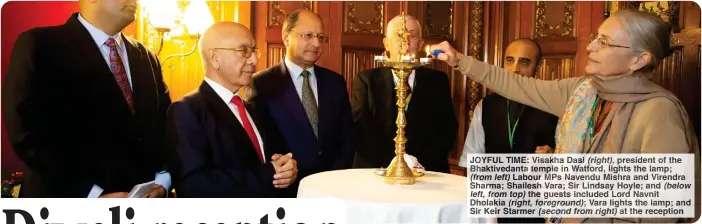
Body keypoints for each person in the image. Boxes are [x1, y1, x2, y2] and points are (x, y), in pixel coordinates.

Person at [431, 9, 699, 223]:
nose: (591, 47)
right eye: (595, 37)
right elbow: (518, 85)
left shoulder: (660, 111)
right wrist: (459, 61)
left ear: (638, 60)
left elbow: (662, 208)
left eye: (604, 42)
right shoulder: (581, 91)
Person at [2, 0, 171, 198]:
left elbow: (166, 128)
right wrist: (91, 195)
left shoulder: (148, 58)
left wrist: (163, 182)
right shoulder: (40, 45)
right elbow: (26, 134)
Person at [165, 22, 297, 198]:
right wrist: (268, 174)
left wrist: (287, 169)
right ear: (215, 57)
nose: (254, 60)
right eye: (244, 51)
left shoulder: (252, 108)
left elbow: (273, 160)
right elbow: (193, 186)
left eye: (253, 50)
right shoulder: (187, 110)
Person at [249, 9, 355, 196]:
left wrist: (334, 176)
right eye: (308, 36)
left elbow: (346, 136)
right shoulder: (261, 84)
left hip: (333, 188)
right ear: (286, 37)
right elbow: (261, 141)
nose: (316, 43)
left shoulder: (335, 82)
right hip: (286, 192)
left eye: (320, 37)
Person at [459, 39, 557, 223]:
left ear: (539, 66)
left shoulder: (555, 106)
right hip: (494, 206)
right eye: (509, 60)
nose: (515, 69)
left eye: (524, 62)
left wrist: (554, 156)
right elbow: (473, 160)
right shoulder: (485, 106)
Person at [351, 14, 457, 173]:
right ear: (386, 44)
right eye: (399, 36)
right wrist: (394, 164)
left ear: (421, 44)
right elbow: (361, 132)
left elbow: (447, 131)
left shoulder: (438, 81)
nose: (405, 42)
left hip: (425, 173)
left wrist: (414, 164)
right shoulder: (366, 81)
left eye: (412, 36)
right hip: (377, 172)